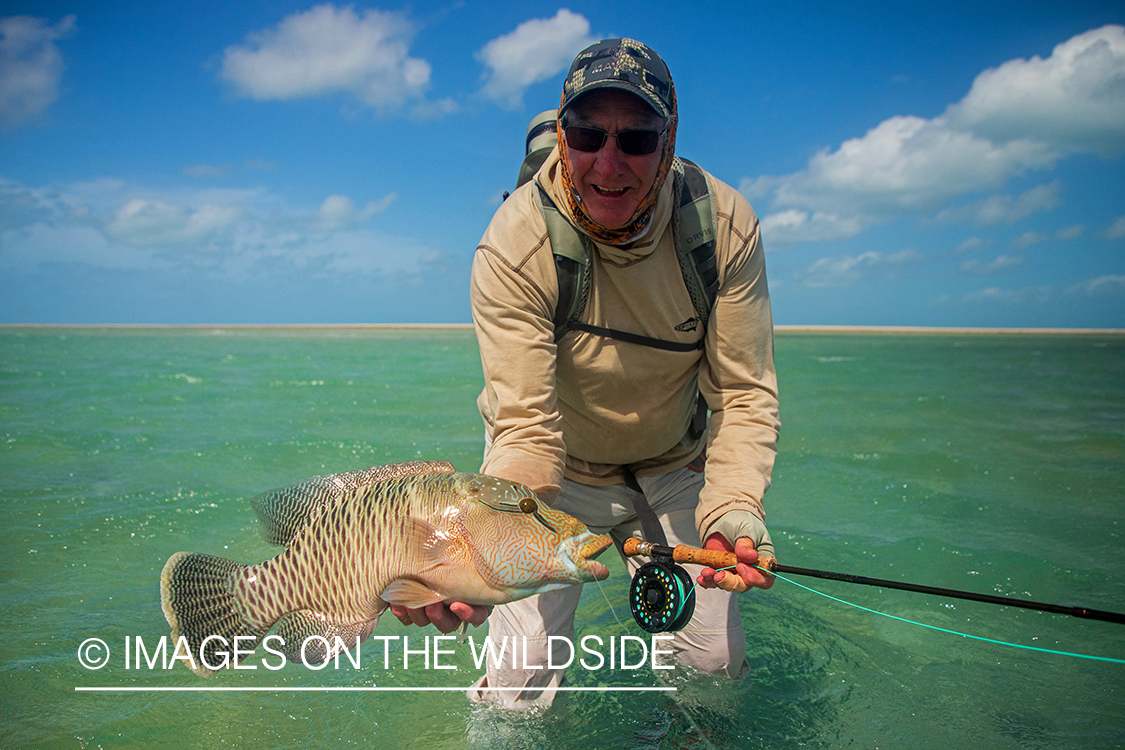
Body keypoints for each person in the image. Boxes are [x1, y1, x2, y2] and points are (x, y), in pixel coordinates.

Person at [390, 38, 780, 708]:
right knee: (521, 678)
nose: (607, 162)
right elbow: (524, 434)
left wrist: (734, 506)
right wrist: (476, 555)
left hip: (673, 468)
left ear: (669, 139)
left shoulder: (722, 227)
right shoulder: (514, 240)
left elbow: (743, 395)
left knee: (713, 665)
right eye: (585, 134)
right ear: (562, 135)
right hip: (556, 476)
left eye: (636, 138)